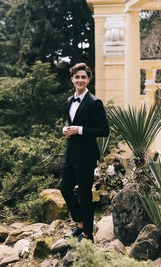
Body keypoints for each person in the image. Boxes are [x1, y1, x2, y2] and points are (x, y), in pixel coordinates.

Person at [61, 63, 109, 242]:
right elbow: (71, 122)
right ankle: (80, 224)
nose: (80, 80)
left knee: (85, 194)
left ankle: (88, 234)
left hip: (87, 156)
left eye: (83, 77)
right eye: (77, 77)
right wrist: (66, 130)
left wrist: (79, 130)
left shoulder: (94, 102)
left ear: (88, 80)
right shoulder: (69, 101)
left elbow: (104, 130)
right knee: (65, 189)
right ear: (72, 79)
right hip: (71, 153)